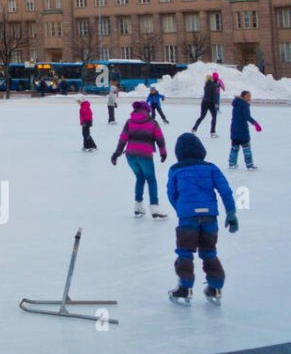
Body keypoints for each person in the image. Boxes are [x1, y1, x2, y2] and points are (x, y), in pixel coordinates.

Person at [166, 132, 237, 304]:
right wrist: (231, 213)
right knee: (209, 251)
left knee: (185, 252)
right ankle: (215, 287)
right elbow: (225, 191)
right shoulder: (211, 167)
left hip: (188, 217)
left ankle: (185, 288)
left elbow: (171, 193)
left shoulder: (176, 169)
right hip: (209, 216)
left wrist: (182, 209)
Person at [111, 100, 168, 218]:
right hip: (145, 155)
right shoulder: (153, 123)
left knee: (140, 177)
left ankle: (138, 206)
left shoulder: (129, 122)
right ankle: (154, 207)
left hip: (131, 155)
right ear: (147, 111)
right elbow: (160, 139)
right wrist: (163, 153)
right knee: (151, 179)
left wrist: (116, 154)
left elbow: (122, 139)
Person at [227, 90, 261, 171]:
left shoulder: (236, 104)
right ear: (243, 97)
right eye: (248, 96)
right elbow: (247, 116)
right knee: (246, 148)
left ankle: (232, 164)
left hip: (234, 128)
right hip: (242, 129)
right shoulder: (244, 105)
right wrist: (255, 124)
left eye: (250, 96)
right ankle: (249, 165)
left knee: (234, 147)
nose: (250, 98)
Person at [191, 73, 223, 138]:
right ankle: (212, 132)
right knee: (214, 117)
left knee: (202, 116)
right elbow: (215, 95)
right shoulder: (214, 85)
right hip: (211, 103)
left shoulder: (206, 85)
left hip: (204, 102)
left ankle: (194, 128)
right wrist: (216, 103)